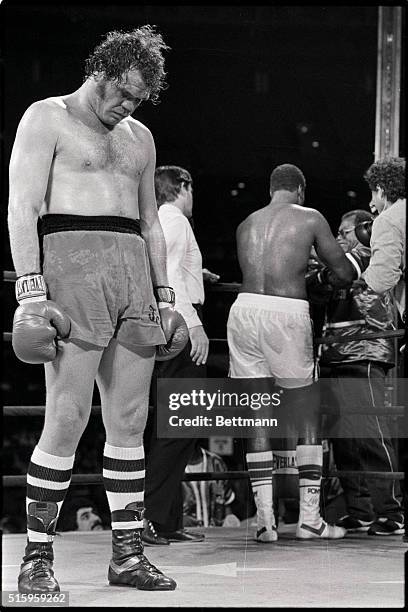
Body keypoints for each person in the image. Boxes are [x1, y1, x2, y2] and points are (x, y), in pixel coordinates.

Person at [8, 26, 188, 593]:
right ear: (104, 72)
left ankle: (128, 556)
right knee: (66, 417)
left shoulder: (140, 137)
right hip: (71, 263)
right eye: (125, 93)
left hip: (132, 272)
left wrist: (166, 297)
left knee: (130, 421)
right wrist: (31, 291)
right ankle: (37, 559)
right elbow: (23, 205)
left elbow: (151, 223)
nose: (128, 106)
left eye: (138, 99)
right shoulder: (47, 116)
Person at [227, 163, 356, 542]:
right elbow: (344, 274)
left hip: (243, 311)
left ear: (272, 189)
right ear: (300, 189)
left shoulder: (246, 223)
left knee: (257, 416)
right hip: (285, 314)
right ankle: (310, 520)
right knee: (306, 416)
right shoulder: (310, 216)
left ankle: (265, 522)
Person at [319, 209, 404, 535]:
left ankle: (392, 513)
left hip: (365, 352)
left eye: (345, 231)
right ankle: (362, 509)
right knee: (344, 441)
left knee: (371, 435)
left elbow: (335, 275)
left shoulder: (371, 251)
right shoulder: (338, 261)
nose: (339, 237)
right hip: (336, 353)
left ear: (364, 231)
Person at [143, 165, 213, 545]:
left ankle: (165, 520)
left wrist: (200, 275)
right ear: (182, 187)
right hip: (180, 326)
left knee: (181, 429)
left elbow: (170, 268)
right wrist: (194, 325)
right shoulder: (173, 219)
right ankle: (149, 518)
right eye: (191, 187)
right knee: (178, 428)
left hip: (171, 323)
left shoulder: (163, 221)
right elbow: (165, 272)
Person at [358, 157, 406, 322]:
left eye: (372, 193)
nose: (371, 203)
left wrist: (362, 274)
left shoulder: (388, 219)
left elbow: (381, 281)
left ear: (380, 189)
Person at [182, 443, 238, 528]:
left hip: (217, 535)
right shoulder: (171, 464)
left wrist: (230, 521)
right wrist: (178, 521)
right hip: (185, 535)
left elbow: (226, 504)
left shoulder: (216, 462)